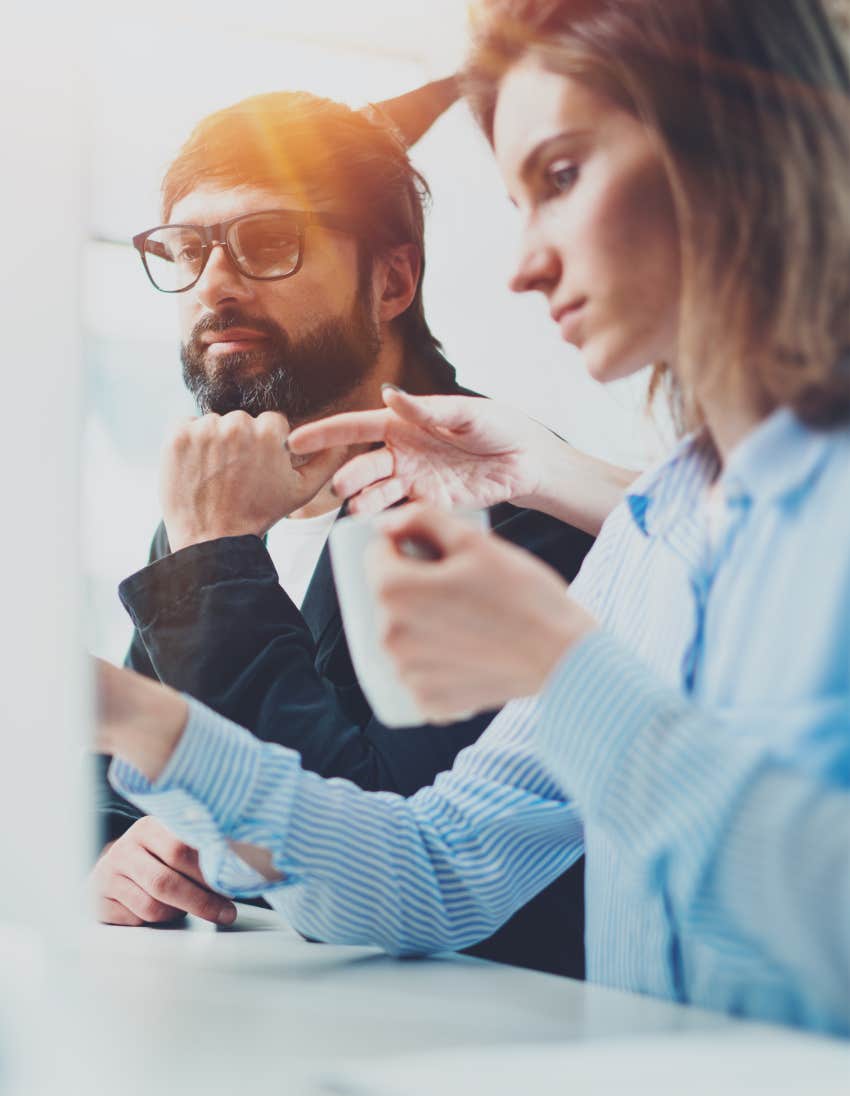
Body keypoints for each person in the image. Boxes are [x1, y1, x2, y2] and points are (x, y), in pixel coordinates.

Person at [95, 0, 850, 1034]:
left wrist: (561, 664)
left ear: (739, 148)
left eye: (564, 175)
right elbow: (434, 871)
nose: (523, 266)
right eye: (517, 198)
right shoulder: (646, 533)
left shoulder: (540, 539)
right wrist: (129, 716)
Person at [93, 84, 632, 977]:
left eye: (267, 243)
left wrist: (217, 562)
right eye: (185, 251)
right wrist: (117, 862)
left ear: (392, 280)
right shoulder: (212, 510)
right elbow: (112, 788)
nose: (213, 285)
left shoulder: (511, 511)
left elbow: (397, 843)